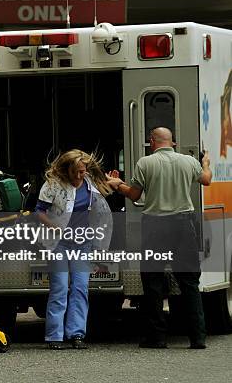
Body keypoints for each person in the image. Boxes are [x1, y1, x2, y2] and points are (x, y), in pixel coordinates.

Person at [106, 127, 211, 349]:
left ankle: (156, 337)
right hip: (184, 225)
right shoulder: (188, 161)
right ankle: (197, 337)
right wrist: (207, 163)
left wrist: (117, 185)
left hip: (155, 226)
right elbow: (207, 180)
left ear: (152, 142)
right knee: (190, 282)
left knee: (153, 282)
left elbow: (134, 195)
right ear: (172, 142)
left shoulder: (145, 163)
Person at [35, 149, 113, 350]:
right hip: (58, 243)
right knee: (60, 287)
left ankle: (76, 333)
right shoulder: (52, 185)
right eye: (76, 172)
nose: (80, 176)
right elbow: (40, 213)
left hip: (82, 243)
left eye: (83, 171)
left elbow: (102, 209)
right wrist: (56, 227)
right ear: (66, 170)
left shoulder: (90, 184)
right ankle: (54, 335)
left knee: (80, 288)